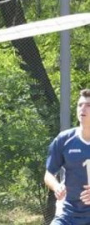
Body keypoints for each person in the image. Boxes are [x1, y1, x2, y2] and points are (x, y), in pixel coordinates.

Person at [45, 89, 90, 224]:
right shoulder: (64, 139)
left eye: (88, 105)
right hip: (67, 213)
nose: (83, 108)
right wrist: (56, 186)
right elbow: (49, 174)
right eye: (80, 105)